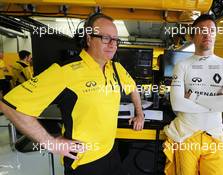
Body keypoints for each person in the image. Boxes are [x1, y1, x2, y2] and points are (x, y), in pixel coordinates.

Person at [0, 13, 144, 175]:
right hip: (84, 162)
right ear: (88, 38)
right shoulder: (65, 72)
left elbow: (132, 88)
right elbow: (10, 106)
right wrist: (51, 143)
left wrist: (140, 114)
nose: (113, 45)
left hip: (111, 151)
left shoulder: (116, 68)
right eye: (105, 38)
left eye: (116, 39)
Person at [163, 14, 223, 175]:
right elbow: (177, 103)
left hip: (214, 137)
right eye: (201, 31)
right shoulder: (182, 66)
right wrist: (217, 102)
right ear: (192, 36)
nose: (207, 34)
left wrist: (193, 97)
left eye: (211, 30)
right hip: (185, 136)